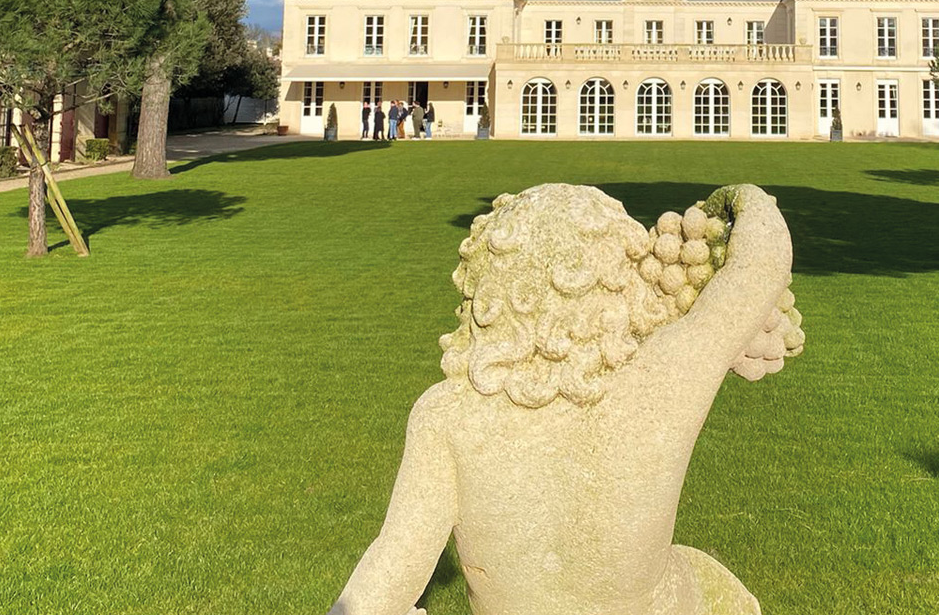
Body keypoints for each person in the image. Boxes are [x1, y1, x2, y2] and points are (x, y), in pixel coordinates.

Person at [331, 183, 799, 615]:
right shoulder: (663, 376)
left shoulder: (447, 416)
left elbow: (390, 571)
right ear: (619, 273)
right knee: (710, 587)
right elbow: (762, 261)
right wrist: (732, 201)